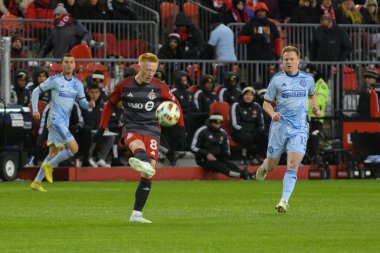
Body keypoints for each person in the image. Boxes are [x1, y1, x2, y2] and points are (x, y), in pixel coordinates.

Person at [93, 53, 186, 223]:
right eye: (148, 70)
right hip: (132, 127)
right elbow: (109, 104)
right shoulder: (124, 85)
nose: (151, 73)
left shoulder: (159, 86)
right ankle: (139, 157)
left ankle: (136, 214)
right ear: (139, 67)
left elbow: (176, 104)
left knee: (148, 173)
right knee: (136, 145)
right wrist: (101, 127)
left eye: (153, 70)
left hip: (152, 130)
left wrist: (181, 127)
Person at [255, 46, 321, 213]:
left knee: (293, 164)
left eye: (292, 59)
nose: (289, 62)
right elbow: (266, 103)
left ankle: (284, 201)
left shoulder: (308, 79)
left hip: (299, 128)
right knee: (272, 165)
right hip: (280, 127)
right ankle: (263, 168)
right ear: (282, 62)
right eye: (286, 60)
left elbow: (312, 95)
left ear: (298, 60)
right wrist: (272, 113)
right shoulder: (277, 80)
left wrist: (315, 108)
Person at [29, 53, 95, 192]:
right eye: (66, 62)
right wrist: (35, 110)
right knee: (74, 148)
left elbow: (82, 102)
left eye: (71, 62)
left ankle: (36, 182)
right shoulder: (55, 80)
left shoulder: (77, 84)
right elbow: (35, 91)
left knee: (54, 153)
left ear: (75, 65)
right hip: (55, 120)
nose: (68, 64)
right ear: (61, 64)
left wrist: (88, 104)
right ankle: (49, 166)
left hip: (64, 122)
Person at [191, 113, 254, 180]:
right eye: (215, 122)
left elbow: (226, 149)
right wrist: (206, 154)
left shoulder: (223, 133)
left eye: (219, 122)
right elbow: (193, 147)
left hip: (218, 157)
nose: (217, 124)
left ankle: (248, 175)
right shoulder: (202, 131)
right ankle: (242, 175)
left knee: (231, 165)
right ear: (211, 121)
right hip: (204, 159)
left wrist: (224, 154)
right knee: (221, 167)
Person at [230, 86, 266, 164]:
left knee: (263, 135)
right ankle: (245, 157)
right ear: (242, 95)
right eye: (246, 94)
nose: (248, 97)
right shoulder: (236, 105)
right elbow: (235, 124)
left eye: (250, 95)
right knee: (247, 137)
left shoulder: (256, 106)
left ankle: (259, 156)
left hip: (252, 131)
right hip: (238, 132)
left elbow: (261, 124)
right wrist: (248, 131)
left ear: (253, 97)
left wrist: (258, 130)